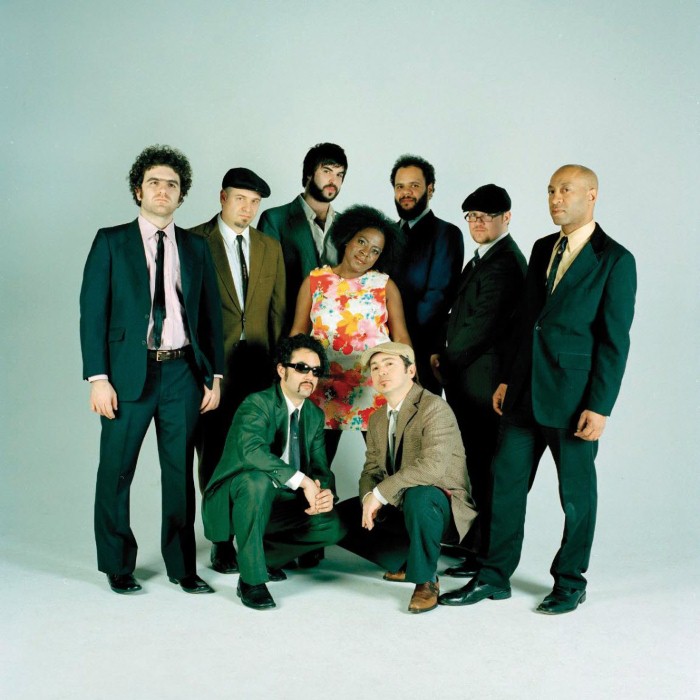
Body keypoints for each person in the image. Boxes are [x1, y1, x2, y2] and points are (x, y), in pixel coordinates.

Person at [439, 165, 636, 614]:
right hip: (524, 393)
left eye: (565, 190)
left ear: (592, 195)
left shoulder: (615, 260)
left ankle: (570, 581)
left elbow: (614, 341)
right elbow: (527, 321)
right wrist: (508, 378)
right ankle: (494, 576)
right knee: (505, 485)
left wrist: (600, 406)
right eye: (550, 191)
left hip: (574, 400)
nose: (555, 199)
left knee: (576, 497)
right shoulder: (543, 247)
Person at [80, 145, 224, 595]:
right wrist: (98, 378)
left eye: (172, 185)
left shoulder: (196, 247)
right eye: (155, 183)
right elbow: (92, 315)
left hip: (182, 374)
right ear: (138, 190)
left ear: (182, 195)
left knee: (179, 475)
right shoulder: (110, 241)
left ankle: (183, 567)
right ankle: (117, 564)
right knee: (116, 471)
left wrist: (215, 376)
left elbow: (210, 316)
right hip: (128, 375)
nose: (163, 190)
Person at [201, 335, 346, 610]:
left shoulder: (314, 415)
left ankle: (260, 556)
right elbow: (252, 452)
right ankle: (251, 581)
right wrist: (303, 481)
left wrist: (324, 493)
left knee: (333, 525)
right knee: (257, 481)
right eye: (301, 368)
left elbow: (320, 468)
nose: (309, 376)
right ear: (282, 370)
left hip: (281, 502)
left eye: (315, 371)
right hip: (241, 497)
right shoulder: (257, 403)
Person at [190, 167, 285, 575]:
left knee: (258, 451)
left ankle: (252, 535)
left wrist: (280, 369)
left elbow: (277, 310)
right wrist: (197, 370)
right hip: (213, 369)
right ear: (222, 198)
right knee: (214, 454)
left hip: (260, 367)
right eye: (240, 199)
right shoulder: (194, 241)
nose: (247, 209)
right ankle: (220, 541)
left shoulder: (269, 246)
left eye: (255, 202)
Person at [336, 342, 477, 613]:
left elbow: (432, 468)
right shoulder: (377, 419)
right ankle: (408, 560)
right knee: (340, 517)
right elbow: (371, 470)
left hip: (441, 507)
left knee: (420, 495)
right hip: (402, 504)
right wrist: (368, 498)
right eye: (375, 367)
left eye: (389, 364)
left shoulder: (434, 408)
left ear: (410, 371)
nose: (381, 372)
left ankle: (426, 580)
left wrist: (380, 494)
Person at [431, 184, 527, 576]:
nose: (477, 224)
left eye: (486, 217)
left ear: (507, 218)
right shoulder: (483, 259)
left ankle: (485, 553)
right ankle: (476, 546)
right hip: (468, 379)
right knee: (474, 465)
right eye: (472, 217)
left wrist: (446, 361)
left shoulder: (505, 263)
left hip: (483, 385)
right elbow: (458, 313)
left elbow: (481, 327)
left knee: (486, 469)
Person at [290, 204, 411, 467]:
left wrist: (407, 381)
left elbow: (401, 338)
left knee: (387, 466)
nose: (366, 253)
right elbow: (297, 334)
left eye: (375, 250)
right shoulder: (315, 281)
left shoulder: (384, 285)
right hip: (323, 387)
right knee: (315, 467)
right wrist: (292, 377)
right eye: (362, 242)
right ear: (347, 239)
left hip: (374, 386)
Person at [390, 154, 464, 394]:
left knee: (418, 416)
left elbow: (438, 297)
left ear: (430, 189)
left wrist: (400, 340)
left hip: (422, 351)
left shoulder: (446, 234)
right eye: (400, 186)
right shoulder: (385, 234)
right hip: (382, 349)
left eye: (414, 185)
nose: (406, 193)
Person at [258, 143, 348, 331]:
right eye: (327, 171)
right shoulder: (275, 219)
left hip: (336, 329)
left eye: (340, 174)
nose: (333, 180)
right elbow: (266, 286)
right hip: (290, 327)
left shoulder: (346, 225)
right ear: (309, 174)